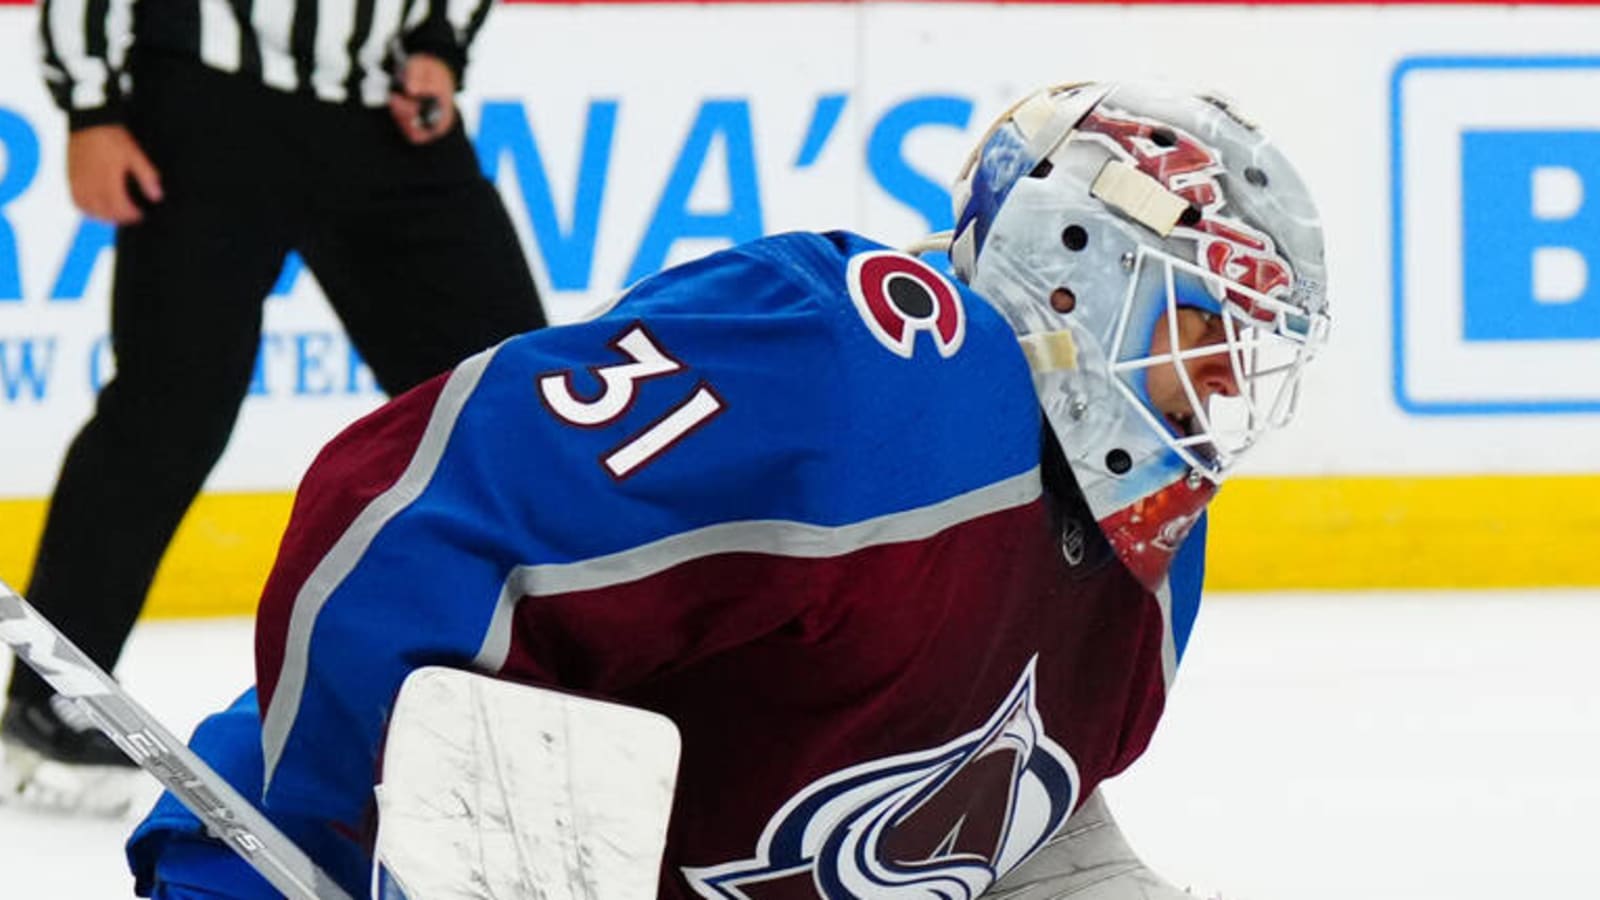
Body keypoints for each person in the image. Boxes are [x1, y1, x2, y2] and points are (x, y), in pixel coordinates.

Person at [123, 81, 1329, 898]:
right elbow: (411, 506)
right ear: (1081, 262)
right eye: (1205, 320)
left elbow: (1004, 817)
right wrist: (323, 832)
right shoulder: (867, 368)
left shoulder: (1153, 557)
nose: (1224, 377)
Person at [0, 0, 548, 815]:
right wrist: (92, 106)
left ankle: (557, 685)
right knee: (170, 407)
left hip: (386, 110)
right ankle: (51, 697)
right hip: (210, 102)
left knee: (513, 407)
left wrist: (438, 43)